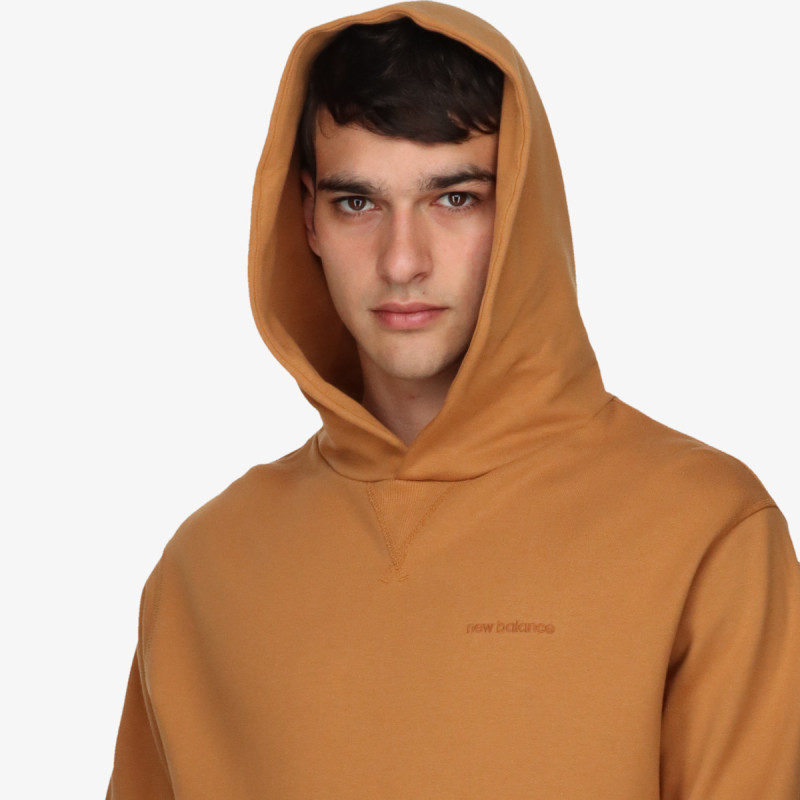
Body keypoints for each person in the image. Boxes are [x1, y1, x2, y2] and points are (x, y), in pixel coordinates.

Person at [106, 3, 800, 797]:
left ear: (520, 212)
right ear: (308, 219)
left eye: (455, 198)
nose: (402, 261)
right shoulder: (205, 569)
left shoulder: (706, 532)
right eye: (358, 203)